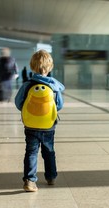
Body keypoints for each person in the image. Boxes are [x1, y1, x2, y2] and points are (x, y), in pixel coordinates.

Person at [15, 50, 65, 192]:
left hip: (30, 125)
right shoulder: (54, 86)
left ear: (32, 66)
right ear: (49, 67)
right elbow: (59, 106)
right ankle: (51, 176)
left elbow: (18, 103)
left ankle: (30, 181)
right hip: (48, 125)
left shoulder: (27, 85)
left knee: (31, 152)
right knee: (49, 151)